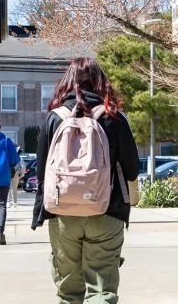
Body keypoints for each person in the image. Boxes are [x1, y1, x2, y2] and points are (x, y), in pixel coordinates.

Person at [32, 57, 140, 304]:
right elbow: (132, 168)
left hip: (62, 215)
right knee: (102, 290)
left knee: (68, 292)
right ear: (101, 82)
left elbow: (41, 173)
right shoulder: (114, 117)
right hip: (107, 211)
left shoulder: (54, 118)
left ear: (67, 82)